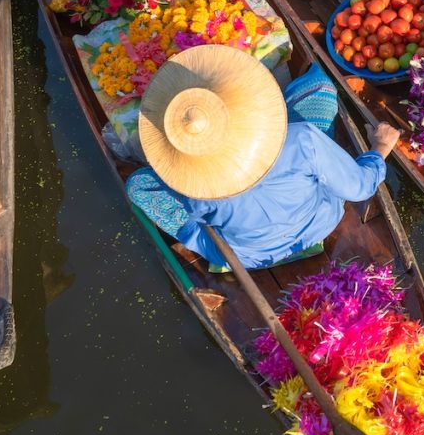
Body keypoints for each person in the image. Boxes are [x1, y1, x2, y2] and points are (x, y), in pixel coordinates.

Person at [126, 44, 401, 271]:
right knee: (320, 86)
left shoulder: (184, 177)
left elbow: (194, 212)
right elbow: (360, 186)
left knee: (138, 185)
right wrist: (380, 149)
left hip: (243, 257)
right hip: (321, 220)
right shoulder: (300, 138)